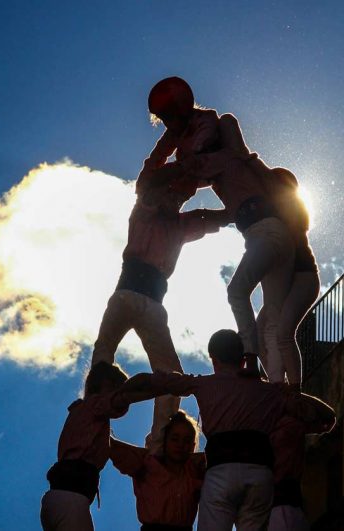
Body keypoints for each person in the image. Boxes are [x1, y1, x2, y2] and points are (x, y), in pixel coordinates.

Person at [139, 76, 296, 376]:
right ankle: (278, 386)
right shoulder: (189, 138)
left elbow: (190, 164)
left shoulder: (215, 146)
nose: (167, 126)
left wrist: (153, 181)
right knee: (272, 328)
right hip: (258, 233)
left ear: (182, 111)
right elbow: (163, 154)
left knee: (237, 293)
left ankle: (250, 363)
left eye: (169, 118)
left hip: (267, 231)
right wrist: (152, 172)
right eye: (163, 120)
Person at [119, 329, 336, 530]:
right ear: (243, 360)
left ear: (213, 359)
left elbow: (151, 381)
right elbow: (327, 417)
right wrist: (286, 392)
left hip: (221, 472)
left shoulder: (204, 384)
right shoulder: (269, 392)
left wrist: (117, 394)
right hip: (259, 475)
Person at [91, 174, 229, 453]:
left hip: (150, 302)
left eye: (181, 198)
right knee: (105, 349)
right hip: (131, 294)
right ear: (163, 192)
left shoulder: (178, 224)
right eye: (173, 195)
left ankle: (157, 442)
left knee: (171, 375)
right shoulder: (146, 209)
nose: (176, 201)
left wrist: (229, 190)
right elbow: (149, 181)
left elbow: (215, 217)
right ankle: (95, 408)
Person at [40, 362, 154, 531]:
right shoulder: (94, 405)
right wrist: (158, 388)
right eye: (115, 387)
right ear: (103, 384)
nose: (117, 391)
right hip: (71, 498)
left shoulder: (84, 416)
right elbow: (119, 401)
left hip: (57, 500)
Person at [257, 168, 319, 387]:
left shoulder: (291, 212)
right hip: (283, 286)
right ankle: (277, 383)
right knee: (258, 334)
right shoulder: (271, 213)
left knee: (283, 333)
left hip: (303, 279)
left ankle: (294, 390)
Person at [109, 410, 206, 531]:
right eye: (175, 439)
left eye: (186, 441)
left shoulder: (194, 469)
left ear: (192, 446)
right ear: (164, 441)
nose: (181, 445)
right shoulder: (147, 464)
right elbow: (112, 446)